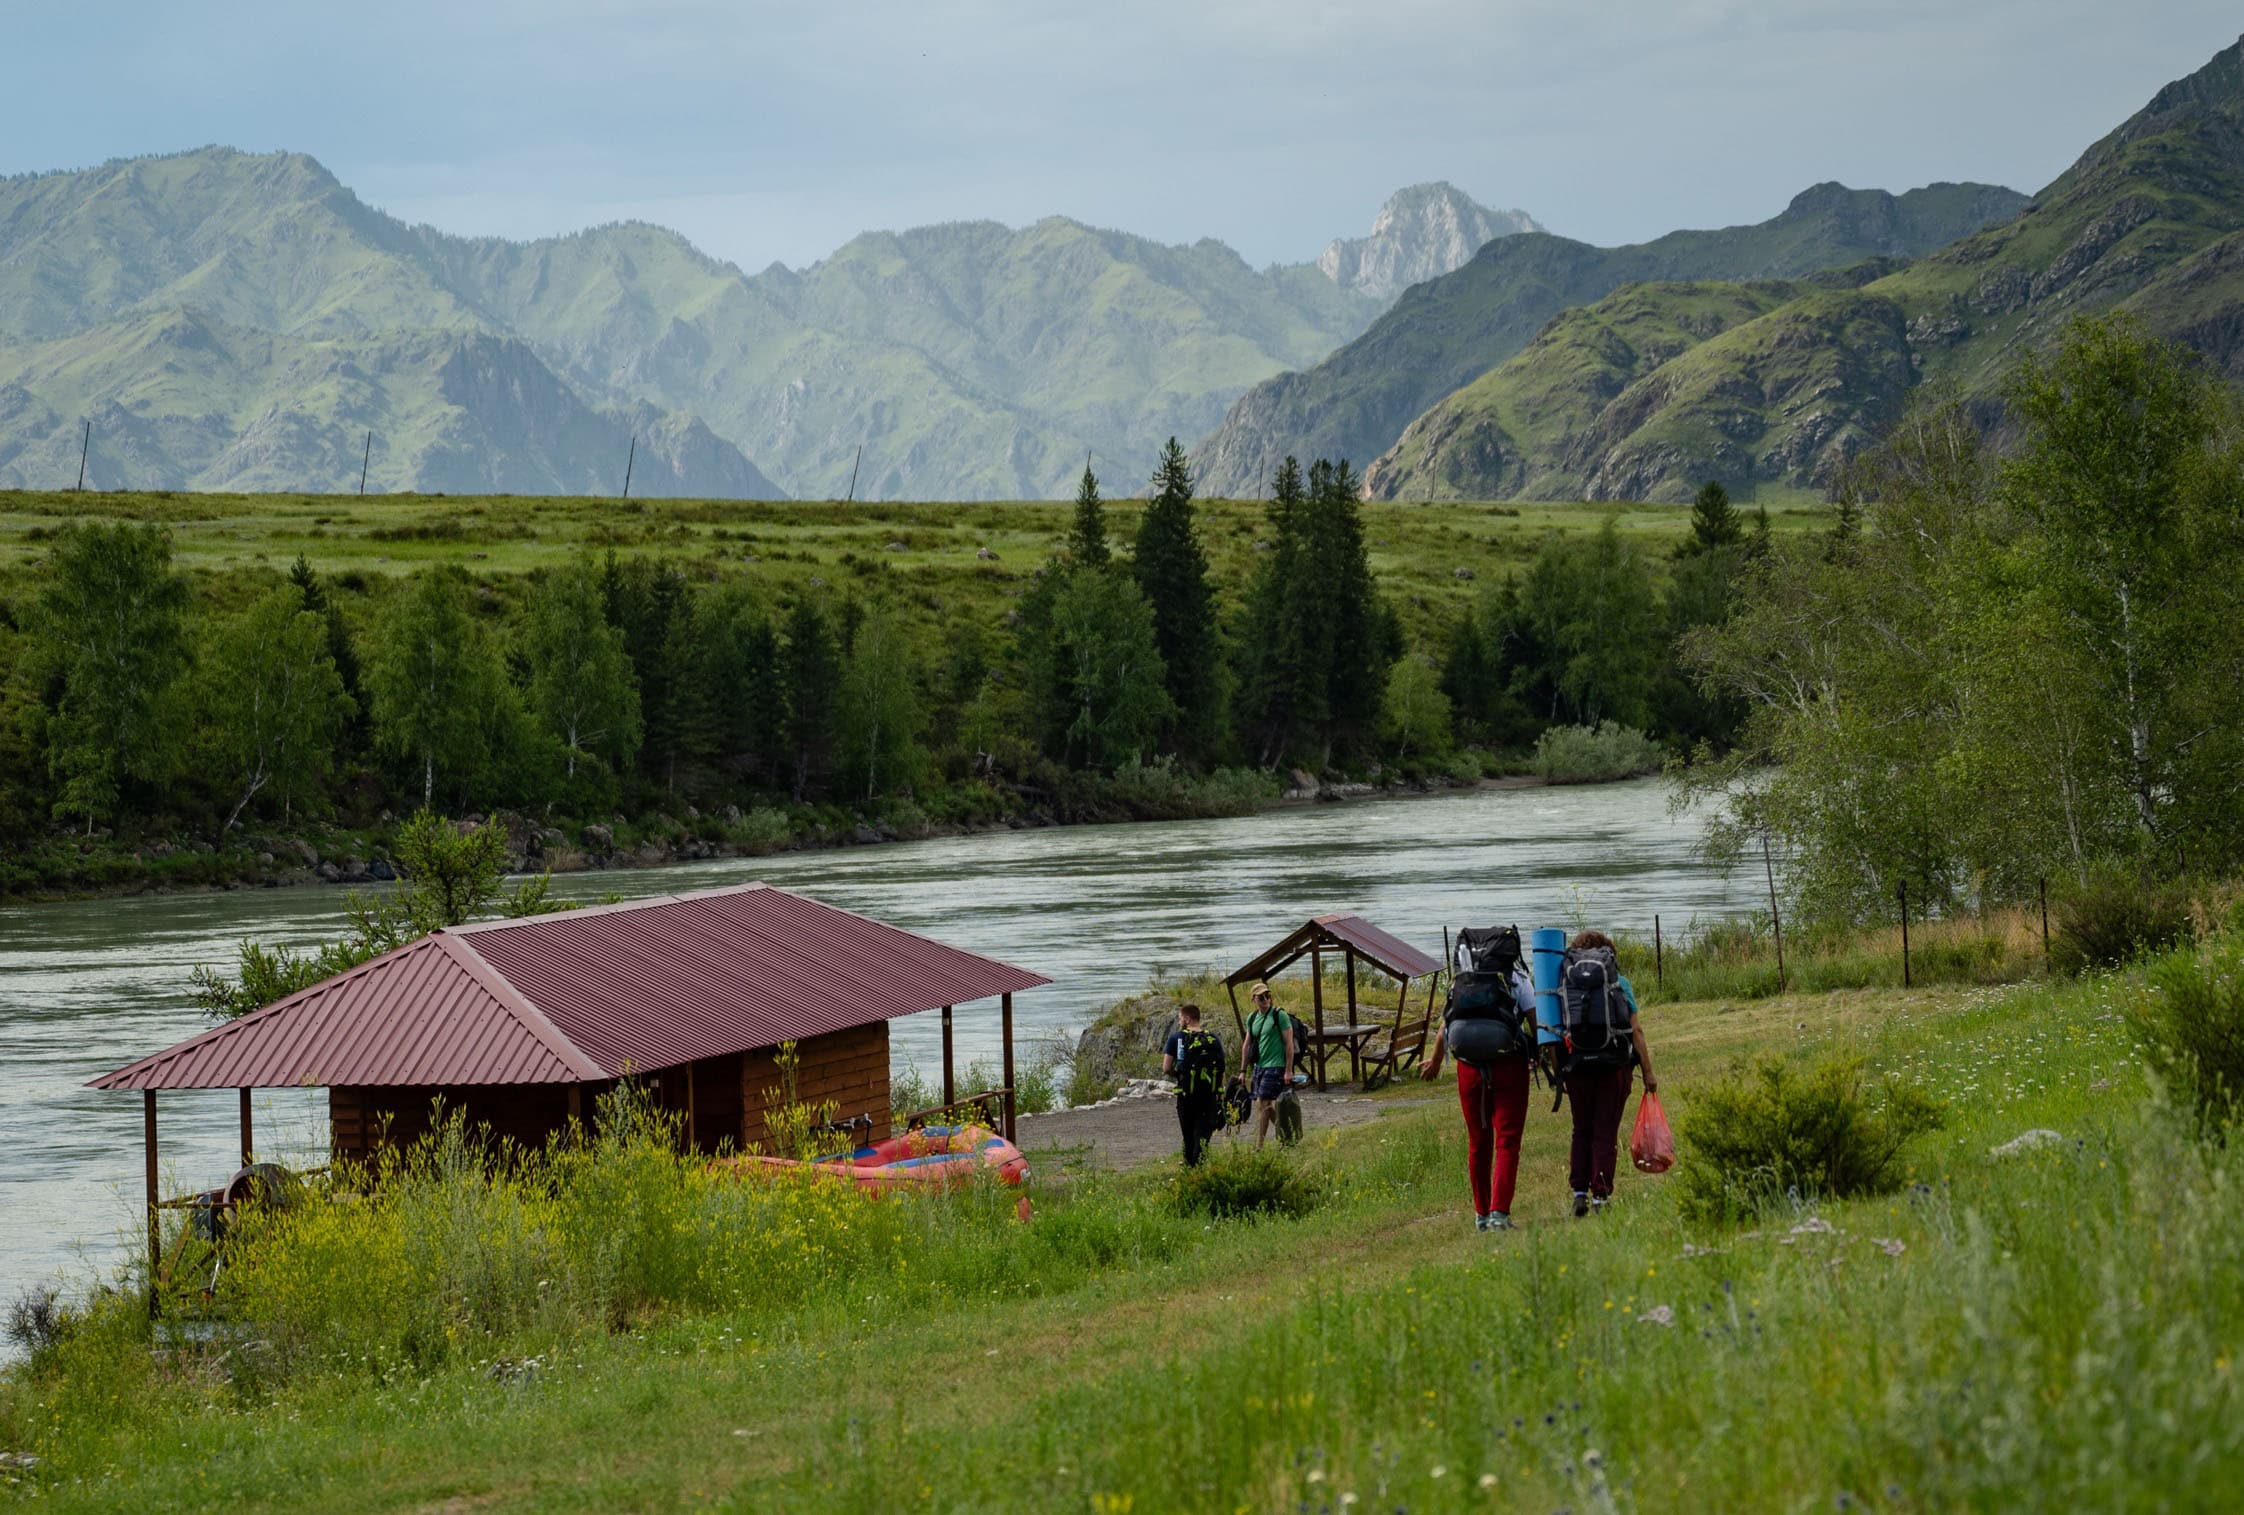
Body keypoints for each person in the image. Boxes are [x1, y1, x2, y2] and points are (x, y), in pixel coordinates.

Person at [1423, 929, 1538, 1231]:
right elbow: (1537, 1024)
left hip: (1469, 1069)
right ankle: (1500, 1213)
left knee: (1478, 1142)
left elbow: (1445, 1027)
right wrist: (1543, 1058)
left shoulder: (1462, 982)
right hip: (1509, 1066)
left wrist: (1435, 1062)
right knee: (1507, 1140)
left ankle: (1481, 1214)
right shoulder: (1518, 980)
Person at [1558, 929, 1658, 1217]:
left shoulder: (1566, 982)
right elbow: (1636, 1030)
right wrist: (1648, 1072)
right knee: (1605, 1131)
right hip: (1613, 1066)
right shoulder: (1619, 981)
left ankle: (1579, 1192)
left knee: (1581, 1129)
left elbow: (1556, 1029)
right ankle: (1600, 1195)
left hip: (1577, 1067)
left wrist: (1560, 1071)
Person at [1161, 1004, 1225, 1167]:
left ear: (1187, 1019)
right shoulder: (1213, 1038)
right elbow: (1220, 1068)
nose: (1179, 1021)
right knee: (1203, 1133)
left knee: (1188, 1135)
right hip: (1208, 1095)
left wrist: (1181, 1075)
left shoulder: (1176, 1038)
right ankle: (1200, 1167)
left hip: (1186, 1094)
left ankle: (1190, 1168)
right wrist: (1219, 1092)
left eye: (1180, 1018)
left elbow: (1166, 1068)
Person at [1235, 980, 1296, 1149]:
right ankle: (1288, 1134)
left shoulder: (1279, 1015)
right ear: (1253, 999)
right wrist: (1242, 1070)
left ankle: (1259, 1146)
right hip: (1259, 1066)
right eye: (1260, 997)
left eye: (1267, 995)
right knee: (1264, 1106)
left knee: (1263, 1103)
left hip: (1275, 1065)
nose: (1265, 999)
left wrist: (1288, 1070)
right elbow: (1247, 1045)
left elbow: (1289, 1043)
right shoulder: (1252, 1017)